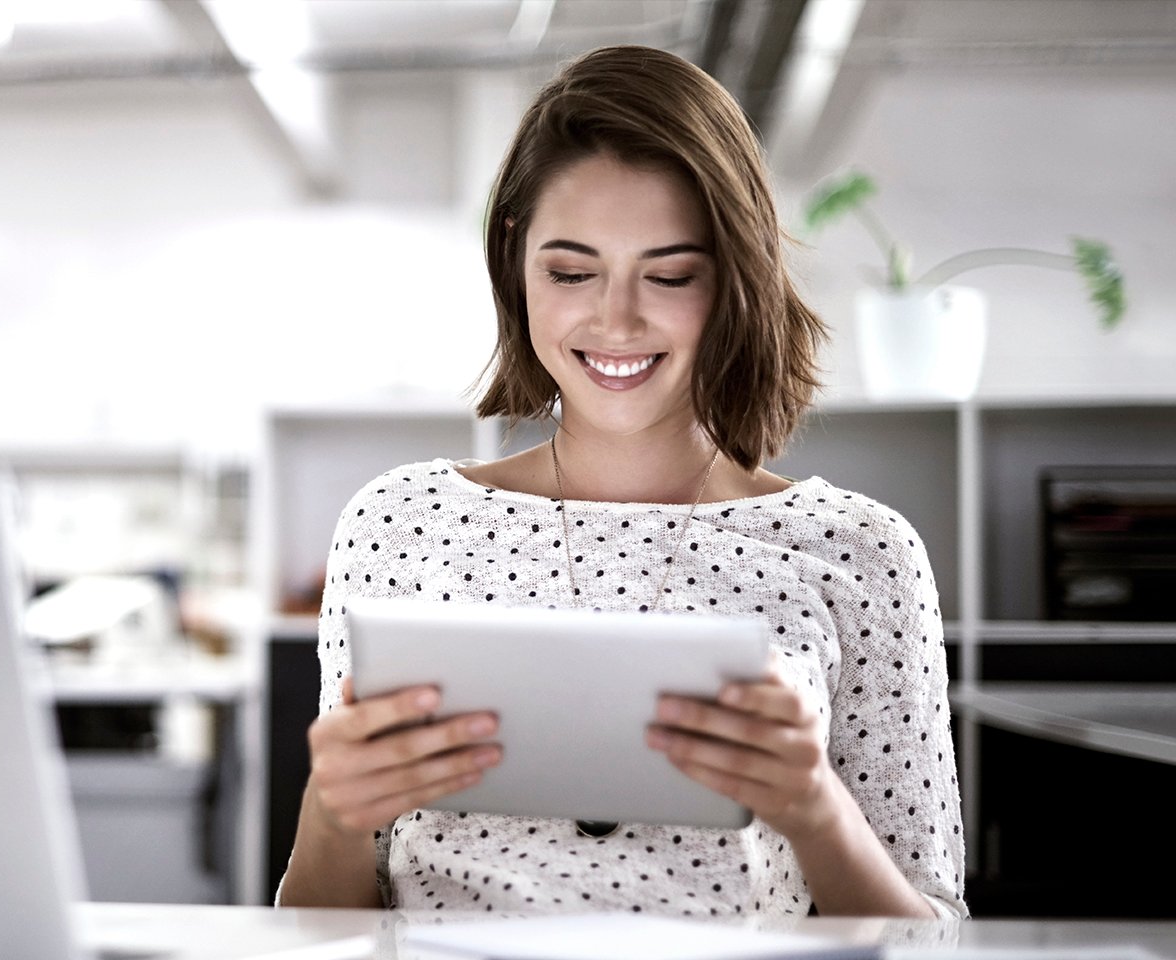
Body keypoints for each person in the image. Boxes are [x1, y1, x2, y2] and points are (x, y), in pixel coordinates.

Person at [276, 44, 966, 920]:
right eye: (570, 273)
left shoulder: (862, 551)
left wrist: (815, 813)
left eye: (670, 275)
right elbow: (321, 927)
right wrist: (333, 817)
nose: (616, 320)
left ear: (734, 282)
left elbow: (933, 937)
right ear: (516, 267)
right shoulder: (398, 522)